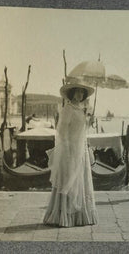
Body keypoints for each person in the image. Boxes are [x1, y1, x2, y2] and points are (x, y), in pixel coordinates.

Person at [43, 82, 98, 227]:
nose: (80, 95)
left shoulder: (81, 109)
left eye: (82, 93)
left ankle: (81, 215)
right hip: (71, 150)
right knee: (69, 181)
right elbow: (61, 131)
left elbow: (81, 130)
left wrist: (89, 121)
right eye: (77, 92)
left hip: (82, 151)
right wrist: (68, 148)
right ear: (72, 93)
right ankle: (64, 216)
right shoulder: (67, 109)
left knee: (81, 181)